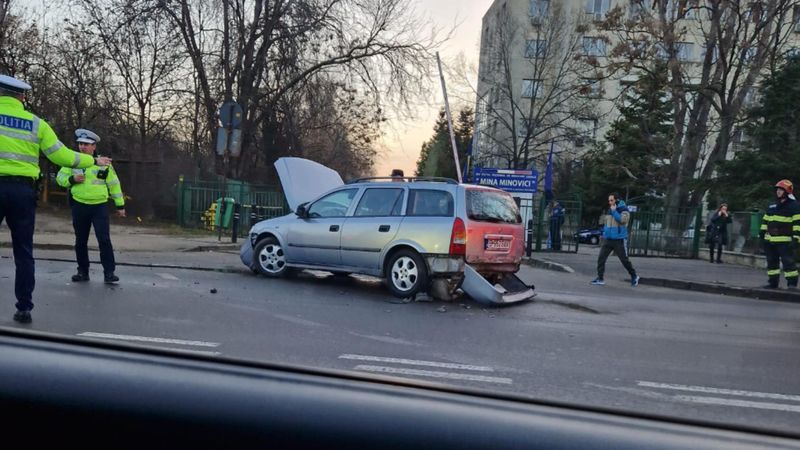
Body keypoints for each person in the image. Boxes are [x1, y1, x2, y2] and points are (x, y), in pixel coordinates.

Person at [0, 75, 112, 324]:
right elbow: (62, 156)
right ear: (22, 97)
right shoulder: (35, 123)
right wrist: (93, 161)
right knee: (23, 250)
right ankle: (24, 307)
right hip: (22, 192)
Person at [56, 129, 125, 285]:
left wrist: (120, 205)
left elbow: (114, 185)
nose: (82, 147)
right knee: (80, 240)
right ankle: (82, 272)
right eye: (80, 144)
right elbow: (60, 178)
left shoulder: (104, 163)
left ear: (94, 146)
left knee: (104, 240)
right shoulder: (73, 161)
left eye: (86, 144)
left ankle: (109, 273)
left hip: (99, 207)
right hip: (79, 205)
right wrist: (72, 179)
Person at [591, 193, 640, 286]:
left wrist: (614, 211)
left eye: (611, 200)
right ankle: (600, 278)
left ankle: (634, 276)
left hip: (619, 239)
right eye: (609, 200)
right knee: (601, 258)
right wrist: (604, 233)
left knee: (624, 260)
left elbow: (623, 220)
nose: (609, 202)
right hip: (608, 239)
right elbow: (607, 223)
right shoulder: (610, 210)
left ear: (617, 200)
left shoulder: (624, 210)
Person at [759, 179, 799, 290]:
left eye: (781, 190)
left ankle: (792, 284)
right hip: (770, 240)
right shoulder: (772, 205)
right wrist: (762, 232)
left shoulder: (794, 206)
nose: (778, 192)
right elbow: (766, 219)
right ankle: (773, 283)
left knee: (789, 263)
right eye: (777, 190)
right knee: (772, 263)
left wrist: (796, 238)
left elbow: (797, 223)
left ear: (787, 192)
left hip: (784, 240)